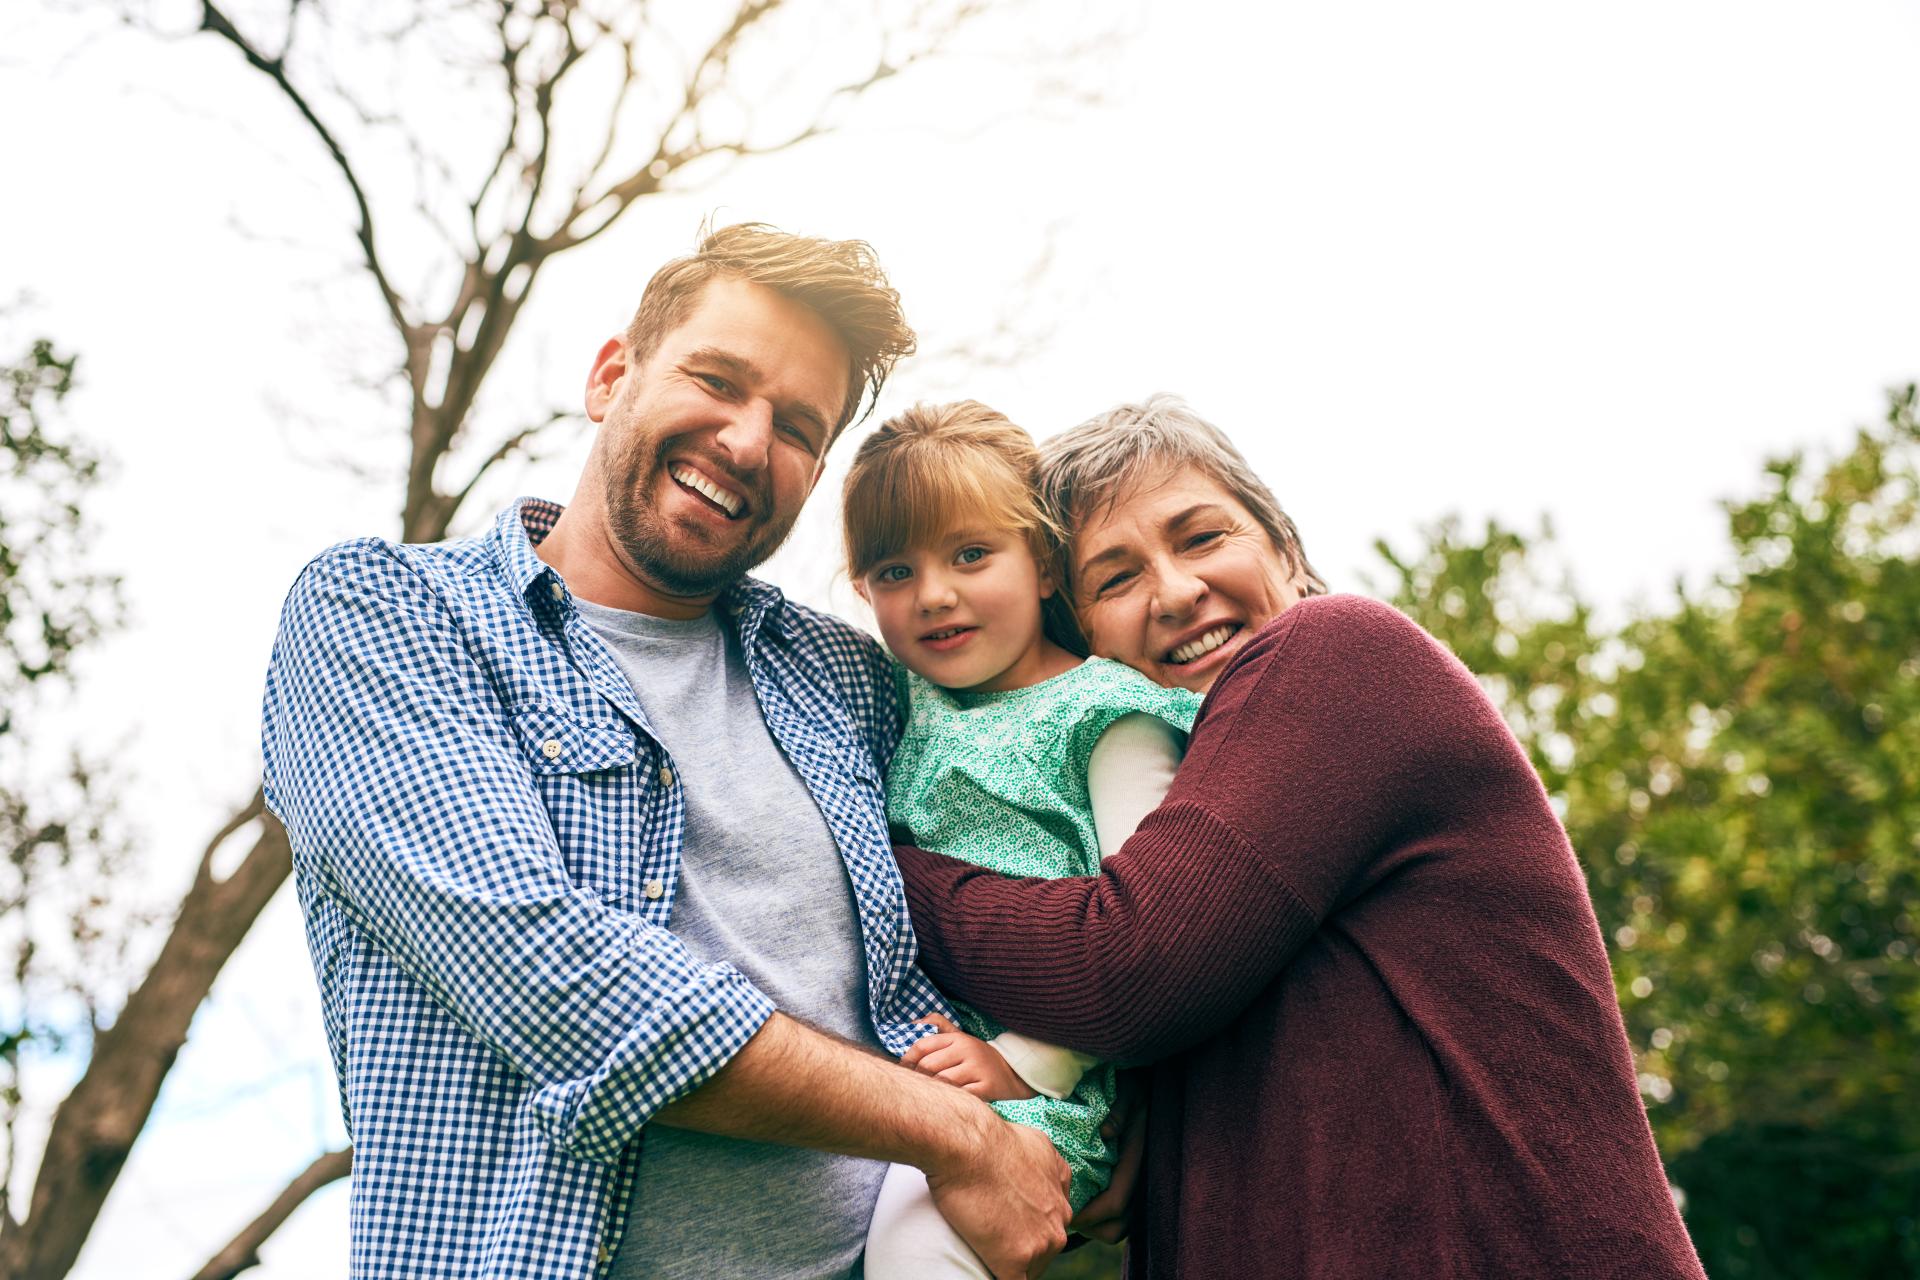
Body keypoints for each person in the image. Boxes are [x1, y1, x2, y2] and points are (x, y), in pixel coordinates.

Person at [260, 224, 1072, 1280]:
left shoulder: (851, 679)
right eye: (718, 378)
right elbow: (550, 975)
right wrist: (960, 1133)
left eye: (794, 425)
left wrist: (1084, 1108)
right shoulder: (389, 615)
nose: (744, 441)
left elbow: (1037, 847)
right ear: (611, 376)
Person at [894, 394, 1709, 1279]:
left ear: (1282, 545)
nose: (1174, 591)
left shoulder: (1338, 656)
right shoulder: (1160, 823)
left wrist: (874, 862)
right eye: (1116, 578)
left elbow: (1126, 968)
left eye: (1202, 537)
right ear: (1078, 635)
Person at [835, 402, 1202, 1277]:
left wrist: (1025, 1065)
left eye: (970, 554)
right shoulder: (902, 705)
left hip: (1058, 1087)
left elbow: (1151, 930)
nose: (934, 594)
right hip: (919, 1064)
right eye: (895, 569)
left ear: (1041, 563)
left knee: (913, 1249)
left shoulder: (1106, 714)